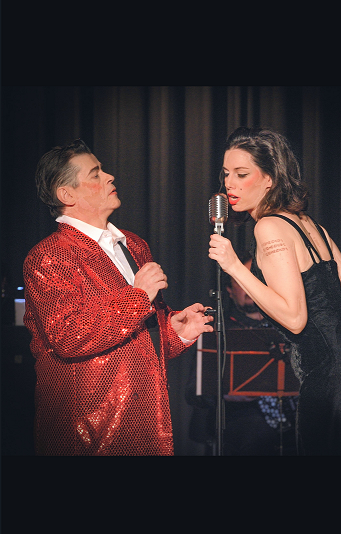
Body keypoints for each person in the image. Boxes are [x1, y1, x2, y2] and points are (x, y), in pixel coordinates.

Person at [208, 126, 341, 456]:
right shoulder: (311, 225)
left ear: (269, 179)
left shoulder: (268, 226)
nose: (229, 184)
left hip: (332, 381)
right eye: (226, 174)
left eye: (242, 174)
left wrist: (235, 267)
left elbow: (295, 319)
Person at [23, 139, 214, 456]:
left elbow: (137, 339)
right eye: (95, 174)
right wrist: (138, 297)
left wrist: (175, 331)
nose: (109, 176)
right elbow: (68, 337)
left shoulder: (133, 245)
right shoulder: (50, 256)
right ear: (66, 195)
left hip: (147, 422)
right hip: (87, 434)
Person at [186, 252, 298, 456]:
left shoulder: (289, 327)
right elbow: (195, 391)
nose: (248, 285)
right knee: (257, 437)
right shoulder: (218, 330)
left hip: (292, 415)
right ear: (229, 291)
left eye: (254, 277)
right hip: (241, 417)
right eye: (240, 280)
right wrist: (226, 394)